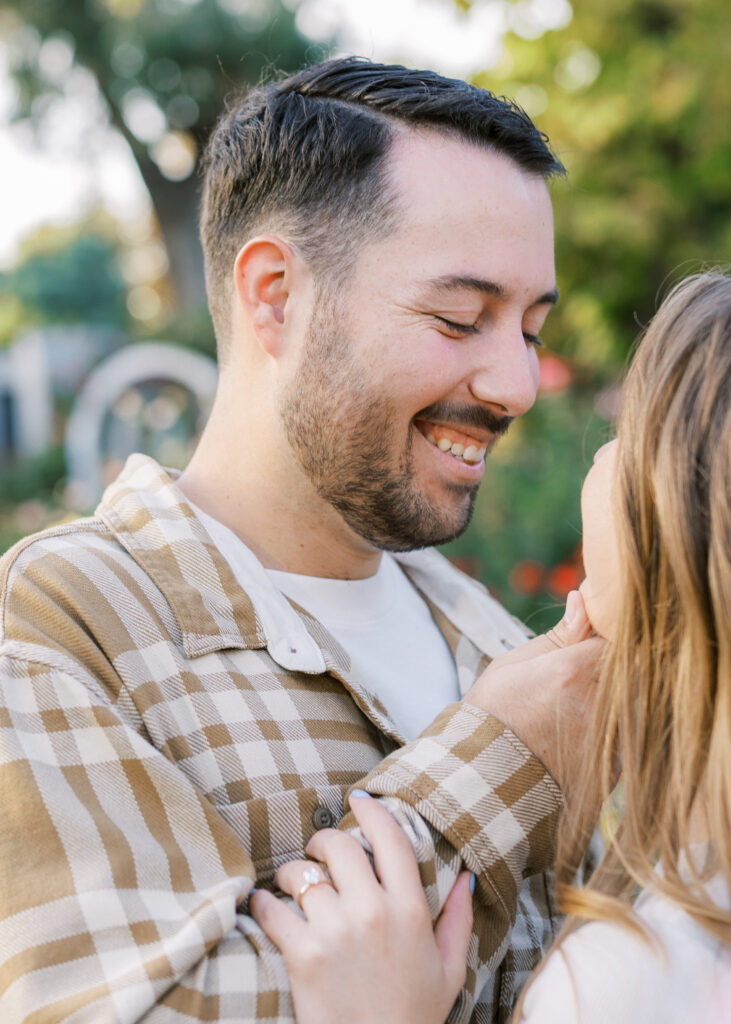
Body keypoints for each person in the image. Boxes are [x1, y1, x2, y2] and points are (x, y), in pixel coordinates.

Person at [0, 57, 603, 1022]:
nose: (517, 386)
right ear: (276, 293)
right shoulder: (64, 624)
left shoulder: (492, 634)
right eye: (460, 318)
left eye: (528, 330)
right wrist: (505, 761)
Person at [251, 271, 731, 1023]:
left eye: (624, 437)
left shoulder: (632, 978)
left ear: (678, 529)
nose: (521, 387)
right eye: (456, 318)